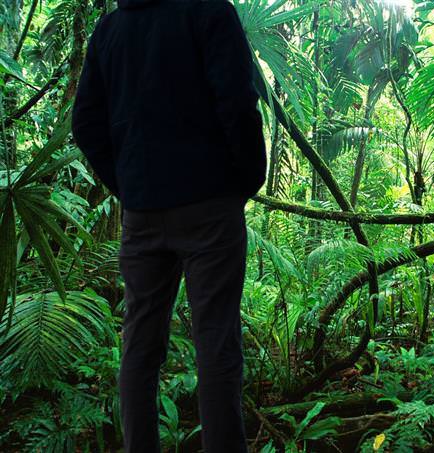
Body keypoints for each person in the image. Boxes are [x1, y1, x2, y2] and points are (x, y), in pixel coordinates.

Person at [71, 0, 266, 451]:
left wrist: (130, 185)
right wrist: (246, 179)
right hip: (210, 206)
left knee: (139, 345)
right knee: (216, 341)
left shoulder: (110, 30)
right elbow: (237, 101)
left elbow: (85, 122)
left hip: (143, 212)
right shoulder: (209, 12)